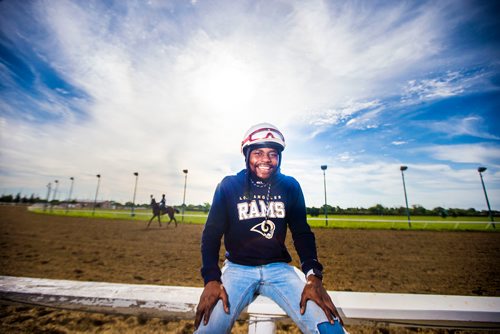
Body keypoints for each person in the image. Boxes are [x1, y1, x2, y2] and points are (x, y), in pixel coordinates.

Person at [194, 123, 345, 333]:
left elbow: (302, 232)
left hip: (279, 270)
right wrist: (211, 279)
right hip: (238, 269)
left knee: (330, 328)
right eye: (258, 153)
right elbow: (211, 235)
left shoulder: (290, 185)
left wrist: (313, 276)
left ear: (279, 157)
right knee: (209, 328)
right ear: (247, 155)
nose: (266, 159)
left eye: (272, 154)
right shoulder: (228, 185)